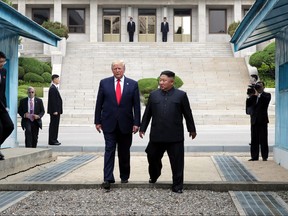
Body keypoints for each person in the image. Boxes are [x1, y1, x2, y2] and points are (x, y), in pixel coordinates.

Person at [139, 70, 197, 193]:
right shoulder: (154, 95)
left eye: (164, 80)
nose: (161, 82)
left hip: (175, 136)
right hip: (157, 135)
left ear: (172, 82)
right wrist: (142, 128)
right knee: (152, 156)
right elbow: (147, 113)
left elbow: (188, 113)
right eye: (160, 80)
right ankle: (154, 174)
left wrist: (191, 129)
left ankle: (177, 186)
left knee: (177, 163)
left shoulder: (181, 95)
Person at [94, 60, 141, 190]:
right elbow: (99, 103)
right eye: (115, 68)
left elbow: (136, 106)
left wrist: (137, 123)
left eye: (119, 68)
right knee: (109, 149)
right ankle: (108, 178)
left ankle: (124, 176)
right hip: (108, 123)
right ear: (112, 70)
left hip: (126, 124)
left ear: (124, 69)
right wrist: (97, 121)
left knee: (124, 151)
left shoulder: (132, 84)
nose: (117, 71)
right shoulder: (104, 83)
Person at [246, 81, 271, 161]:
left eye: (260, 86)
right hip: (254, 120)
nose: (258, 88)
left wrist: (259, 93)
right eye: (258, 86)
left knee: (263, 139)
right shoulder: (253, 96)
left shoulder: (267, 95)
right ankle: (254, 157)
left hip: (263, 120)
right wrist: (253, 95)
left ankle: (264, 156)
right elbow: (248, 107)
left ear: (264, 87)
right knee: (254, 139)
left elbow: (265, 101)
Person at [0, 51, 14, 160]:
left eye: (3, 62)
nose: (1, 64)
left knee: (9, 126)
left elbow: (3, 91)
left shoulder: (4, 71)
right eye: (0, 62)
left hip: (1, 106)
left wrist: (6, 106)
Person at [48, 74, 63, 146]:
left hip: (56, 111)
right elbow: (53, 101)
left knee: (55, 125)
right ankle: (52, 140)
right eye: (57, 79)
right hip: (55, 111)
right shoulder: (53, 88)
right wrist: (55, 110)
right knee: (53, 125)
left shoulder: (54, 88)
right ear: (54, 79)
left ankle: (54, 139)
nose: (59, 80)